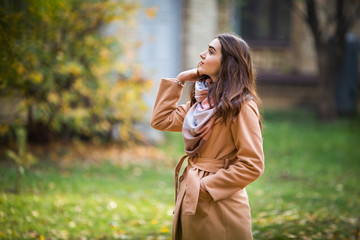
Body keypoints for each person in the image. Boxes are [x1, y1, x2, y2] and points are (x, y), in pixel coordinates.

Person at [150, 33, 264, 240]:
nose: (202, 55)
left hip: (221, 204)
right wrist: (180, 79)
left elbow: (252, 164)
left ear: (228, 64)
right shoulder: (201, 105)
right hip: (192, 196)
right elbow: (161, 120)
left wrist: (204, 188)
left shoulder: (242, 107)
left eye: (211, 52)